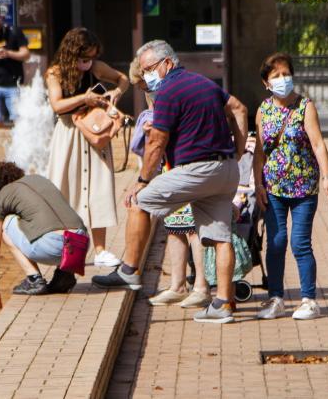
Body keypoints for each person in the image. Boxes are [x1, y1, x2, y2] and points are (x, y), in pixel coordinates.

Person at [92, 40, 248, 324]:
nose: (147, 75)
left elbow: (156, 143)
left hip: (196, 170)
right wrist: (236, 153)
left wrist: (141, 180)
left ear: (167, 63)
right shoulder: (205, 83)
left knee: (137, 201)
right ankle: (224, 304)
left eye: (149, 68)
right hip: (224, 170)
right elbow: (239, 108)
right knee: (221, 237)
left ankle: (129, 270)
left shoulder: (167, 92)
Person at [253, 52, 328, 320]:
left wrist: (327, 177)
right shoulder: (263, 110)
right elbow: (259, 153)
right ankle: (276, 299)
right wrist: (258, 184)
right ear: (266, 82)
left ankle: (309, 300)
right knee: (275, 243)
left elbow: (318, 144)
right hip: (273, 188)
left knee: (301, 243)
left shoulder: (305, 106)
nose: (282, 79)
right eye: (276, 76)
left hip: (304, 189)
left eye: (286, 74)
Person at [128, 58, 211, 308]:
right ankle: (178, 284)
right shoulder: (154, 99)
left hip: (188, 169)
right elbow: (141, 147)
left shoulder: (177, 92)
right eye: (142, 86)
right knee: (175, 227)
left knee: (194, 229)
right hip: (168, 171)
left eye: (145, 81)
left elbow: (185, 128)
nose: (146, 88)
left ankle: (201, 286)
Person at [45, 27, 130, 268]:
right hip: (69, 134)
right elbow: (57, 104)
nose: (88, 63)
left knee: (98, 188)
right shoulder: (55, 72)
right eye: (84, 58)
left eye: (91, 57)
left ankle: (101, 249)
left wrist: (116, 92)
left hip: (94, 133)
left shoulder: (96, 67)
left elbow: (122, 78)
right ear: (72, 53)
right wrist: (85, 98)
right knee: (66, 187)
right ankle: (69, 247)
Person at [0, 162, 88, 315]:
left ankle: (34, 279)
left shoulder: (2, 196)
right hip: (81, 242)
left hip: (54, 247)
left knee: (7, 224)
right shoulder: (38, 179)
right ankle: (64, 274)